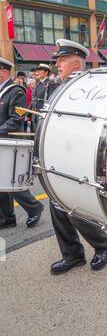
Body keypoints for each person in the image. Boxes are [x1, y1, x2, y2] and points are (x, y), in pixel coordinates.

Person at [44, 39, 107, 275]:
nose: (57, 65)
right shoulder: (59, 88)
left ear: (76, 63)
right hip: (58, 151)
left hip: (80, 154)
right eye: (58, 60)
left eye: (62, 60)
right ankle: (72, 255)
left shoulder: (93, 88)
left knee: (75, 205)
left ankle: (103, 244)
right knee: (56, 205)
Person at [0, 57, 44, 230]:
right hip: (2, 143)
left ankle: (35, 207)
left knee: (12, 183)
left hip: (12, 145)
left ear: (3, 71)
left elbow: (15, 120)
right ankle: (7, 218)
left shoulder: (16, 91)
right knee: (1, 183)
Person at [29, 63, 56, 132]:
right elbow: (33, 99)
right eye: (38, 70)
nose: (38, 72)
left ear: (46, 72)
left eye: (40, 70)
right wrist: (28, 114)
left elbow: (51, 100)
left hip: (43, 115)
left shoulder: (50, 83)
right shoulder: (38, 83)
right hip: (35, 115)